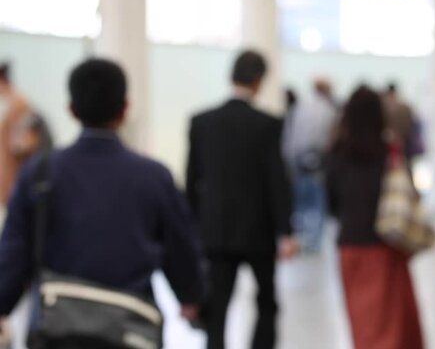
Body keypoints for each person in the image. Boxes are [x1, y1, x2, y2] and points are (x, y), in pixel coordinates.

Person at [0, 58, 205, 347]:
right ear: (125, 109)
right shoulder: (153, 177)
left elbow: (13, 253)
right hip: (131, 329)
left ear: (71, 110)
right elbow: (181, 247)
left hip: (56, 329)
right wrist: (191, 296)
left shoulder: (40, 172)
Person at [186, 50, 297, 349]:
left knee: (217, 306)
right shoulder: (268, 125)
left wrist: (193, 229)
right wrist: (286, 231)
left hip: (216, 230)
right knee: (266, 301)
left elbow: (192, 181)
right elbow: (277, 180)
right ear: (259, 81)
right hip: (257, 230)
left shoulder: (202, 122)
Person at [327, 85, 425, 349]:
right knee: (389, 324)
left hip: (350, 246)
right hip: (384, 245)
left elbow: (332, 204)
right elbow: (407, 195)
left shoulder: (337, 152)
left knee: (363, 324)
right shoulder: (387, 152)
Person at [282, 77, 339, 252]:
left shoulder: (300, 107)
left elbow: (290, 137)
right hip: (318, 162)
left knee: (301, 202)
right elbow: (329, 140)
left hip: (299, 160)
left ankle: (301, 239)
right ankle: (312, 241)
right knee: (316, 203)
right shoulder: (328, 110)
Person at [0, 62, 50, 207]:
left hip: (16, 176)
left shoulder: (19, 105)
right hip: (12, 175)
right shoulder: (13, 104)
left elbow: (25, 143)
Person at [383, 82, 424, 161]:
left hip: (402, 144)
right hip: (402, 143)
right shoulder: (404, 106)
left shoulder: (387, 108)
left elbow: (410, 124)